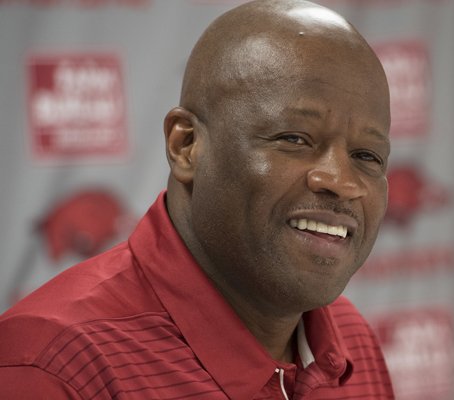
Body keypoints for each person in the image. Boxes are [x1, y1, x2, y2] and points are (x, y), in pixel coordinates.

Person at [0, 0, 394, 398]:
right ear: (186, 145)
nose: (343, 182)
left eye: (367, 156)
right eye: (293, 139)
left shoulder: (350, 339)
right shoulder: (53, 365)